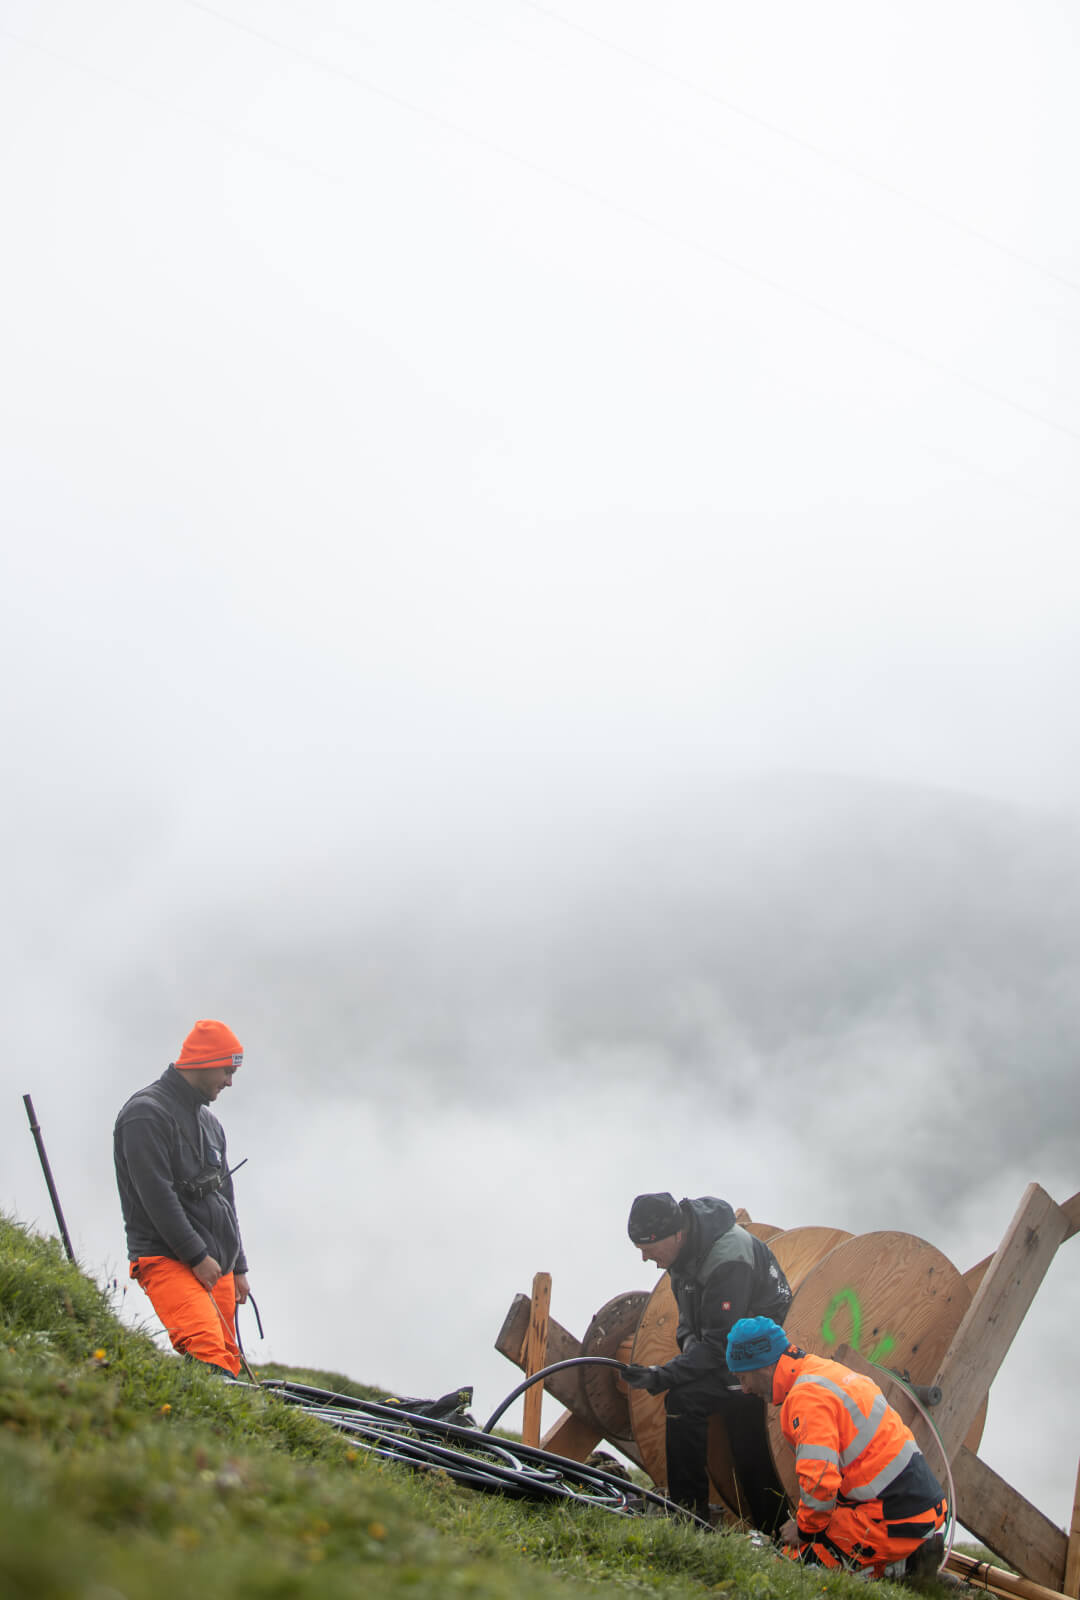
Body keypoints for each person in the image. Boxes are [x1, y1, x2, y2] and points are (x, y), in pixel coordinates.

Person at [726, 1316, 948, 1579]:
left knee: (791, 1568)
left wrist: (804, 1528)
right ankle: (904, 1561)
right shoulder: (820, 1371)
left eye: (743, 1378)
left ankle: (899, 1566)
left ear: (762, 1368)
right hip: (910, 1507)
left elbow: (820, 1482)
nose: (745, 1389)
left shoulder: (805, 1397)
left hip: (891, 1518)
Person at [620, 1192, 792, 1528]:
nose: (644, 1257)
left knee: (735, 1414)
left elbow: (719, 1343)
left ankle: (771, 1528)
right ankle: (689, 1515)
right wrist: (680, 1365)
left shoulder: (727, 1256)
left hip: (764, 1360)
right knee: (685, 1398)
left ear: (676, 1234)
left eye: (647, 1247)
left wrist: (665, 1374)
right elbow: (689, 1326)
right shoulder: (680, 1257)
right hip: (731, 1350)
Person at [114, 1019, 251, 1377]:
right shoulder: (145, 1114)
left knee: (228, 1359)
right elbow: (155, 1195)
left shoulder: (211, 1125)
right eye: (226, 1070)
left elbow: (226, 1198)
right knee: (206, 1350)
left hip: (217, 1265)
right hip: (167, 1257)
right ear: (204, 1062)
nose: (229, 1081)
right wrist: (196, 1255)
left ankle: (222, 1433)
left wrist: (239, 1267)